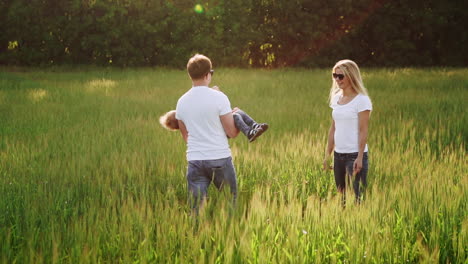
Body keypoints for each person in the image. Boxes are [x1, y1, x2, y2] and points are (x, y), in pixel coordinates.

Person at [175, 54, 267, 212]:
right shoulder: (219, 98)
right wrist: (234, 119)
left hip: (195, 161)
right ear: (207, 75)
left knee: (196, 209)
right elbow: (232, 132)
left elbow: (186, 137)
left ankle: (196, 235)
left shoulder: (181, 102)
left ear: (190, 75)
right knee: (230, 204)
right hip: (220, 159)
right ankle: (230, 233)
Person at [322, 59, 372, 204]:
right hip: (338, 157)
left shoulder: (362, 100)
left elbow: (363, 131)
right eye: (334, 75)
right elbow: (333, 128)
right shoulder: (336, 99)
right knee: (341, 199)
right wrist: (327, 155)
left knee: (357, 200)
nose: (337, 79)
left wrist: (360, 157)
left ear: (351, 76)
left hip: (354, 156)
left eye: (341, 76)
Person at [160, 106, 268, 143]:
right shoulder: (191, 125)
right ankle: (249, 133)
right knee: (235, 116)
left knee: (238, 112)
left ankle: (255, 127)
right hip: (220, 132)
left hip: (220, 128)